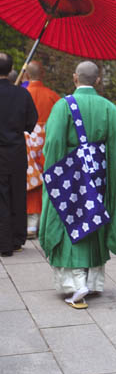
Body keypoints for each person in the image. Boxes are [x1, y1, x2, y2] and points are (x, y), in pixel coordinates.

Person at [39, 61, 116, 309]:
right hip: (98, 175)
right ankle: (92, 280)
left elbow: (54, 142)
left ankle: (75, 281)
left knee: (70, 218)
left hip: (69, 174)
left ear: (74, 78)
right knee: (94, 217)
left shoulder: (63, 106)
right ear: (98, 80)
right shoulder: (110, 109)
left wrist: (55, 174)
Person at [0, 52, 38, 257]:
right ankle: (15, 240)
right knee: (17, 194)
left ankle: (3, 241)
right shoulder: (22, 94)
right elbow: (31, 122)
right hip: (15, 151)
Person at [25, 61, 60, 239]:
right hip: (47, 146)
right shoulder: (52, 96)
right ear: (43, 74)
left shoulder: (22, 95)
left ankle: (29, 224)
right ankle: (44, 222)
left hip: (25, 146)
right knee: (47, 181)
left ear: (26, 76)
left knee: (30, 182)